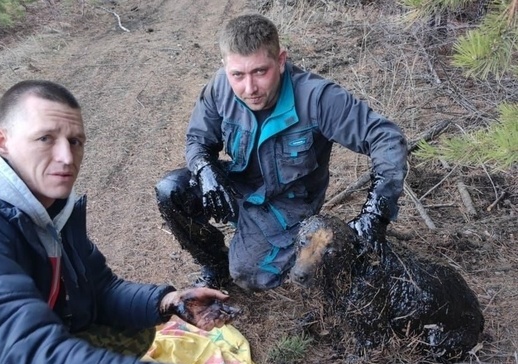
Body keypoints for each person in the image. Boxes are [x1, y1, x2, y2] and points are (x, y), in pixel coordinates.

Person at [0, 80, 279, 364]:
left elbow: (100, 289)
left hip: (28, 349)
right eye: (45, 138)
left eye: (75, 142)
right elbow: (30, 358)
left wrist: (169, 302)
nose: (66, 157)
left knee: (135, 328)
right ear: (2, 141)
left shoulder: (47, 206)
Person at [155, 14, 408, 291]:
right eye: (237, 74)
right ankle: (216, 267)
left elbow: (386, 137)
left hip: (289, 203)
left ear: (281, 60)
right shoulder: (220, 87)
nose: (249, 89)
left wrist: (376, 213)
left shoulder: (317, 98)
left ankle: (317, 248)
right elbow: (197, 140)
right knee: (172, 190)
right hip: (238, 187)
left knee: (249, 274)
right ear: (225, 66)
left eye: (260, 72)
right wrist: (205, 170)